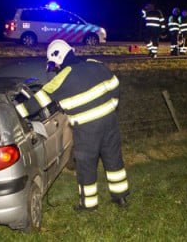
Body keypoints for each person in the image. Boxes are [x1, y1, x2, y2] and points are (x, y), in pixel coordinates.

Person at [14, 39, 129, 211]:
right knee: (113, 158)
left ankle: (89, 205)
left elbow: (37, 102)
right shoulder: (95, 64)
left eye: (54, 65)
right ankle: (121, 198)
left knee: (86, 164)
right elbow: (115, 85)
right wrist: (110, 107)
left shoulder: (62, 78)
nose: (55, 69)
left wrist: (16, 111)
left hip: (86, 129)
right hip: (110, 122)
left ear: (58, 58)